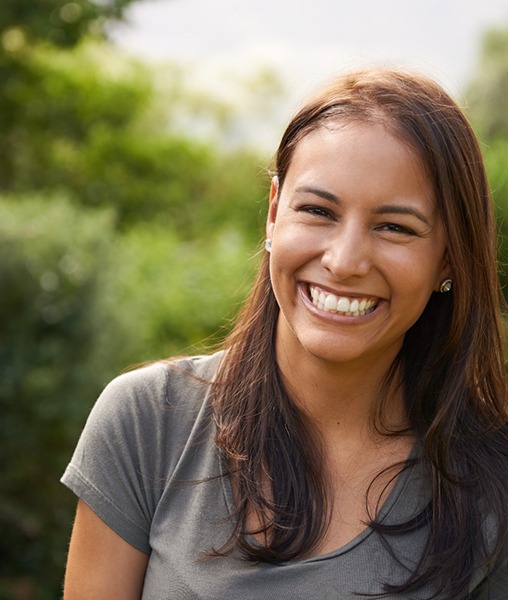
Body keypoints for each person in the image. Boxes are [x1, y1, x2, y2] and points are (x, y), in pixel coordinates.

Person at [61, 67, 508, 599]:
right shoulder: (147, 423)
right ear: (274, 214)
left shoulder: (494, 479)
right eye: (318, 210)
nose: (343, 262)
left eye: (395, 227)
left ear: (449, 257)